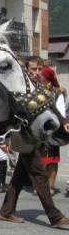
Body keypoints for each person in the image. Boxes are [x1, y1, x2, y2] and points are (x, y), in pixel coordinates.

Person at [0, 56, 69, 229]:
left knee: (18, 178)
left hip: (35, 138)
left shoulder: (39, 88)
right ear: (26, 70)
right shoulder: (17, 88)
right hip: (23, 138)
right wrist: (5, 139)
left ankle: (6, 211)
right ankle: (54, 216)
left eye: (39, 69)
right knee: (39, 176)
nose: (37, 73)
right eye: (33, 69)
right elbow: (7, 115)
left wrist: (63, 121)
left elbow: (49, 107)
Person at [40, 65, 65, 195]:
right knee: (41, 160)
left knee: (52, 160)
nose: (40, 78)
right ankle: (41, 185)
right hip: (40, 130)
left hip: (52, 130)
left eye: (42, 76)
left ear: (47, 78)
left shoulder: (57, 93)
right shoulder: (38, 91)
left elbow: (60, 112)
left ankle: (50, 186)